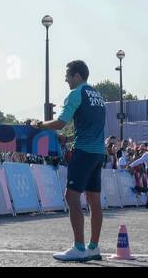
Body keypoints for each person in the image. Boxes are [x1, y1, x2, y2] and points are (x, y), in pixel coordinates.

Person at [31, 59, 106, 262]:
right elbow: (92, 128)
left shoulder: (76, 93)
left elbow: (61, 122)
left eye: (67, 76)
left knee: (71, 198)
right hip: (99, 152)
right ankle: (93, 247)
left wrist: (39, 124)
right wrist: (69, 138)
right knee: (94, 200)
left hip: (83, 152)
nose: (66, 80)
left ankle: (79, 247)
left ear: (77, 76)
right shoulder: (98, 95)